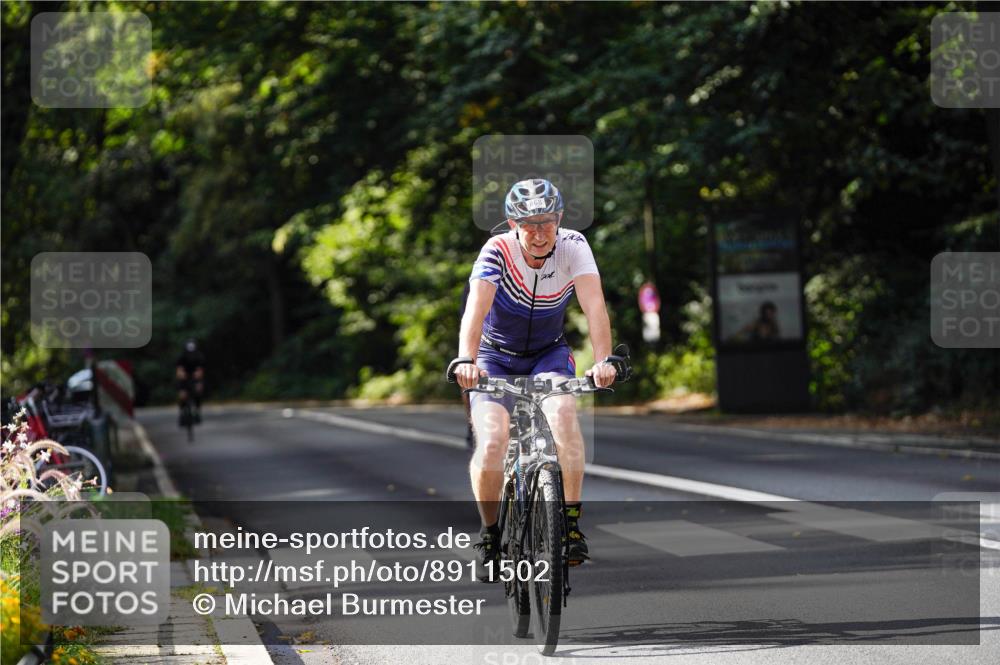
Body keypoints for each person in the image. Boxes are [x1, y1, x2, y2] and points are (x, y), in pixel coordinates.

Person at [450, 178, 619, 581]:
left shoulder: (574, 246)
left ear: (559, 219)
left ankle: (571, 524)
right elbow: (475, 311)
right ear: (513, 224)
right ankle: (490, 534)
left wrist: (603, 361)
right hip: (495, 356)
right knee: (492, 441)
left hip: (549, 353)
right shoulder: (497, 251)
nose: (540, 232)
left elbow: (595, 308)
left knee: (564, 417)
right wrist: (465, 360)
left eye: (547, 222)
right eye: (529, 224)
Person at [175, 338, 205, 425]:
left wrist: (198, 376)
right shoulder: (181, 357)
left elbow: (200, 370)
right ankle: (182, 413)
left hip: (195, 378)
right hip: (184, 378)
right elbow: (179, 370)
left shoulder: (199, 356)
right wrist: (181, 374)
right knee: (182, 395)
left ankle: (197, 411)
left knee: (198, 392)